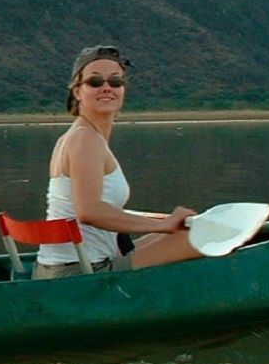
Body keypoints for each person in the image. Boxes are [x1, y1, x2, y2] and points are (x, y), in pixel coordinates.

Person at [33, 45, 201, 279]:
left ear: (123, 89)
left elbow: (87, 207)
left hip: (65, 267)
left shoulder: (80, 137)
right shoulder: (85, 139)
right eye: (95, 82)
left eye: (115, 81)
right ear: (77, 91)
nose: (106, 88)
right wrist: (163, 226)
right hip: (79, 271)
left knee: (183, 230)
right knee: (200, 237)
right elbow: (89, 211)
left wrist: (163, 221)